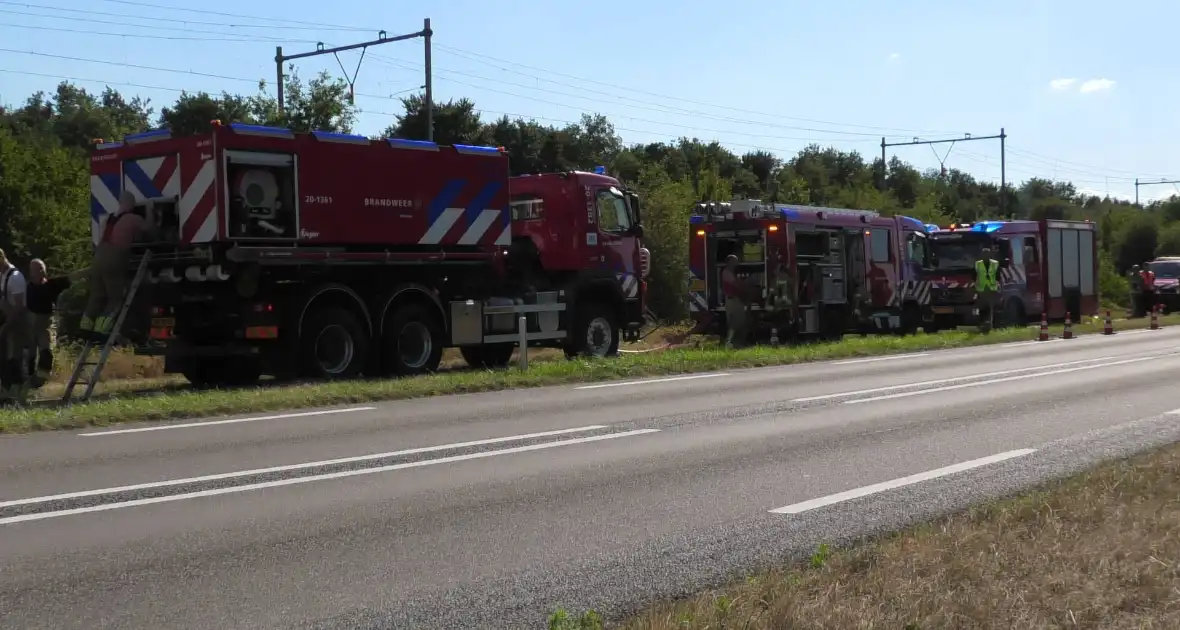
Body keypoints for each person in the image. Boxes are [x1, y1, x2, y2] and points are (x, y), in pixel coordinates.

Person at [80, 190, 154, 338]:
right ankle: (101, 332)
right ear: (132, 204)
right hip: (113, 258)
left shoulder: (109, 219)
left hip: (98, 257)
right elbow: (150, 230)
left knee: (97, 296)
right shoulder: (133, 219)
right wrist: (151, 214)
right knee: (115, 299)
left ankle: (84, 329)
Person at [26, 259, 89, 387]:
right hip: (29, 324)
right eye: (36, 269)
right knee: (28, 356)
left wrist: (92, 269)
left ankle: (38, 383)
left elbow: (72, 276)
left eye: (41, 268)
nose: (40, 271)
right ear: (31, 272)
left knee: (46, 354)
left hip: (45, 324)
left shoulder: (52, 285)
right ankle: (25, 382)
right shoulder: (26, 287)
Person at [0, 249, 30, 402]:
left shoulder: (15, 277)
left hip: (17, 321)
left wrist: (6, 325)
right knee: (4, 357)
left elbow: (19, 307)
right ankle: (6, 389)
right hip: (7, 319)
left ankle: (19, 391)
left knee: (14, 356)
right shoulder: (3, 274)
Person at [721, 254, 752, 348]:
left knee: (738, 322)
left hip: (735, 299)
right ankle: (732, 342)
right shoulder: (727, 272)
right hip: (732, 300)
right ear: (729, 262)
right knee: (736, 322)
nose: (736, 263)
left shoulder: (731, 272)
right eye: (735, 261)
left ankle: (734, 343)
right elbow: (737, 285)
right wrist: (748, 288)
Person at [974, 246, 1000, 332]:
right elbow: (975, 275)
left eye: (987, 253)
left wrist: (998, 285)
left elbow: (998, 276)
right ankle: (983, 325)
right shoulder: (978, 264)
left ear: (990, 254)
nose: (985, 255)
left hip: (992, 288)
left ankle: (990, 326)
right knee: (982, 308)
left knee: (991, 308)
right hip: (981, 289)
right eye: (984, 254)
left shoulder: (995, 263)